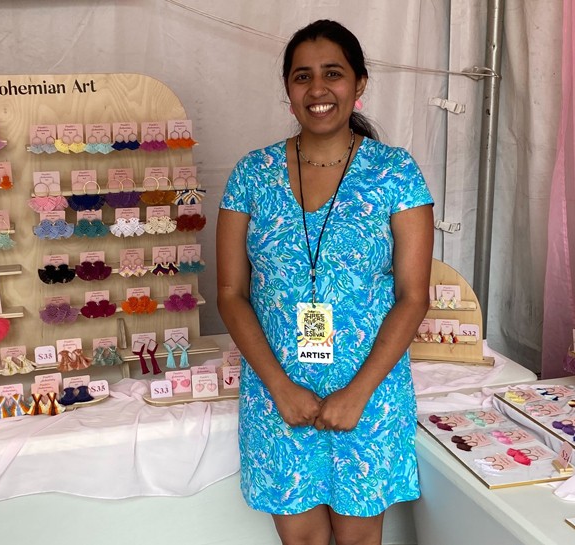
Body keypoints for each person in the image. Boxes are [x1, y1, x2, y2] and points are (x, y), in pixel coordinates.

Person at [216, 19, 434, 545]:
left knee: (359, 540)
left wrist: (357, 393)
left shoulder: (395, 173)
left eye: (333, 73)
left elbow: (413, 297)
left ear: (359, 83)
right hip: (277, 395)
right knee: (303, 541)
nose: (318, 89)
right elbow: (230, 294)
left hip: (369, 393)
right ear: (288, 89)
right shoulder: (252, 174)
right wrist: (281, 388)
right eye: (302, 76)